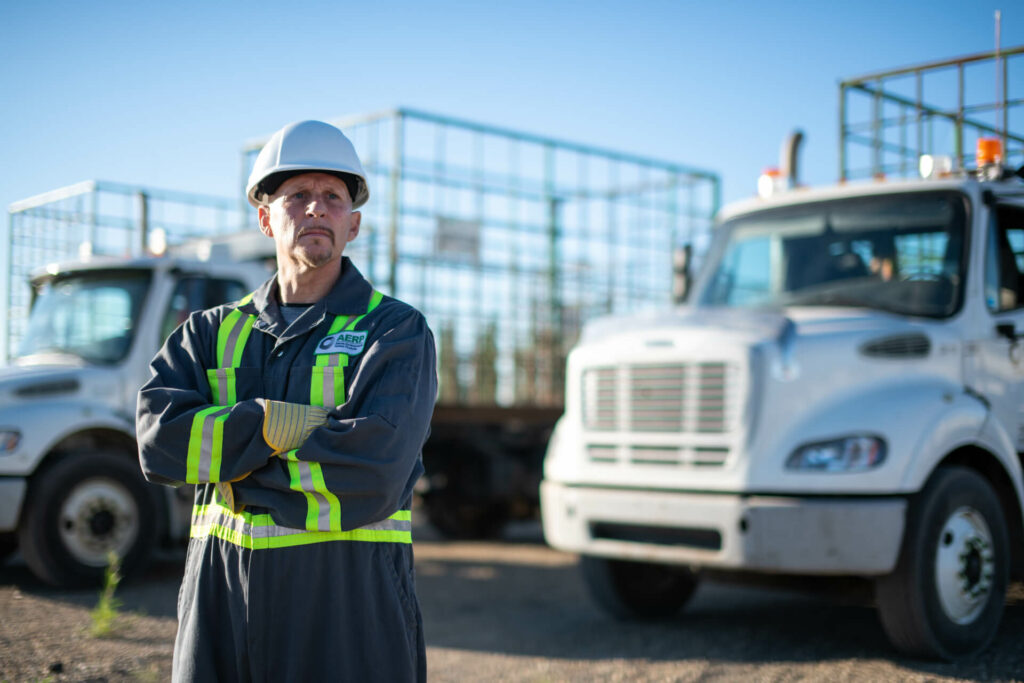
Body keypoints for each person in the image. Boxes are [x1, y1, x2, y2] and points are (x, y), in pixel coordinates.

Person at [136, 120, 437, 682]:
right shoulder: (206, 333)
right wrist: (272, 424)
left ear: (354, 225)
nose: (315, 209)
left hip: (345, 607)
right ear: (265, 218)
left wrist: (229, 468)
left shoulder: (395, 332)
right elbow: (159, 444)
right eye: (297, 195)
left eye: (332, 197)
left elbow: (372, 473)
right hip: (219, 604)